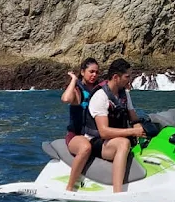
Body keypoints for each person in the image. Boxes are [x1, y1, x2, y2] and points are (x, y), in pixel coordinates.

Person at [84, 57, 146, 193]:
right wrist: (132, 132)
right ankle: (117, 192)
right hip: (97, 142)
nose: (129, 80)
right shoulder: (101, 96)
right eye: (127, 76)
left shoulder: (125, 94)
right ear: (116, 77)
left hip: (115, 138)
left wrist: (140, 128)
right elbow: (104, 132)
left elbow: (134, 118)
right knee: (123, 144)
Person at [60, 57, 100, 192]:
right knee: (85, 148)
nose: (94, 75)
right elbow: (66, 99)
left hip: (95, 134)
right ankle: (70, 187)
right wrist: (73, 80)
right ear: (83, 72)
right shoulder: (78, 90)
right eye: (91, 72)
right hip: (76, 135)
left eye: (96, 72)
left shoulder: (100, 90)